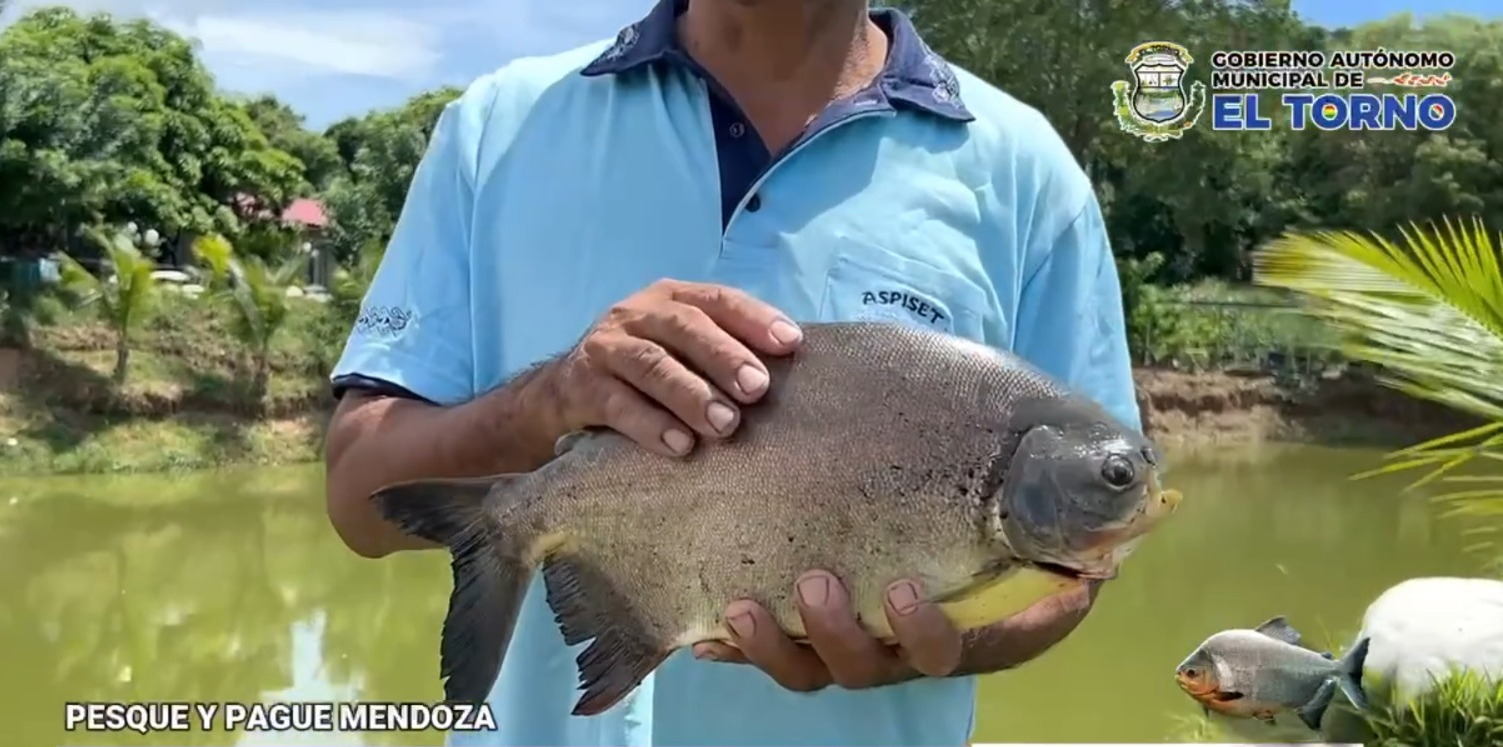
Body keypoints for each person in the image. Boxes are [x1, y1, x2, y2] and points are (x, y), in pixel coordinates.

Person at [322, 0, 1138, 744]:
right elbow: (359, 495)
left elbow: (1075, 570)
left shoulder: (1027, 178)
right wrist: (543, 402)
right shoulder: (497, 128)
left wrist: (933, 635)